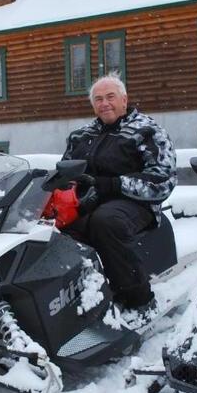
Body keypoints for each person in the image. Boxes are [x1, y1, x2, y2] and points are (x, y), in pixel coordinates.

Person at [60, 73, 177, 326]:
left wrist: (113, 184)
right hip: (86, 204)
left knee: (106, 222)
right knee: (52, 234)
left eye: (110, 97)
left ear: (124, 100)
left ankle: (139, 300)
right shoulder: (81, 136)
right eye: (98, 99)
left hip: (135, 205)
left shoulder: (147, 131)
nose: (104, 103)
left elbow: (162, 180)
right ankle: (73, 304)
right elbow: (65, 171)